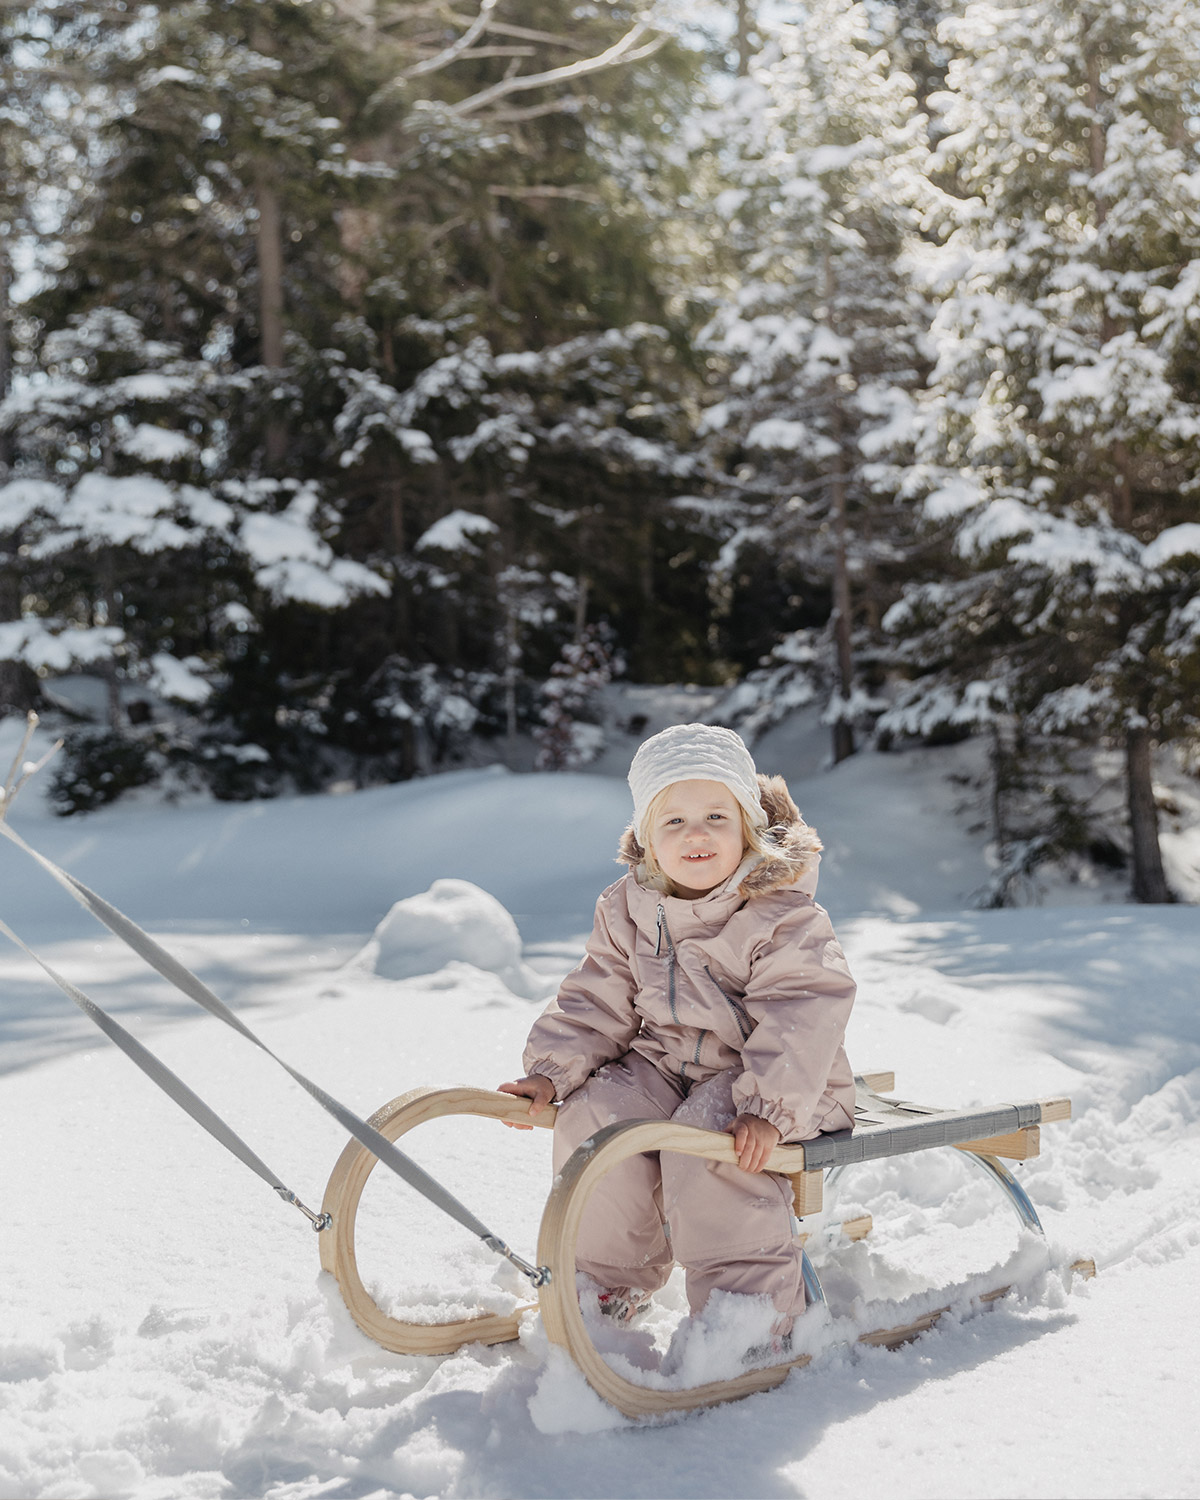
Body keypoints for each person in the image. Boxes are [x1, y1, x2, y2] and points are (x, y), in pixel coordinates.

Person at [499, 722, 856, 1346]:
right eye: (674, 821)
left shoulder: (783, 913)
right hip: (665, 1065)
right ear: (644, 840)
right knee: (597, 1115)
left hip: (773, 1084)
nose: (697, 834)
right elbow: (597, 998)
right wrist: (552, 1071)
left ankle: (747, 1313)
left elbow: (803, 1012)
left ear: (748, 826)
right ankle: (607, 1283)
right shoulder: (626, 907)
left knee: (708, 1142)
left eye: (717, 815)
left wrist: (766, 1107)